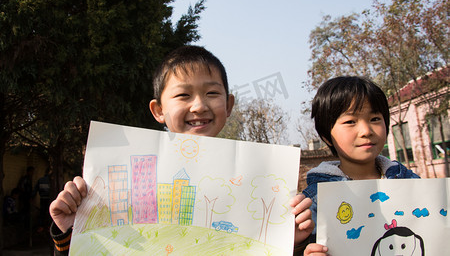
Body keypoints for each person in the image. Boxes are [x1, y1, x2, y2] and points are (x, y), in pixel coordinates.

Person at [49, 45, 312, 254]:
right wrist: (72, 231)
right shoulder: (121, 179)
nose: (198, 106)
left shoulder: (263, 177)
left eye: (211, 93)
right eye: (183, 95)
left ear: (229, 105)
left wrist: (292, 241)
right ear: (158, 110)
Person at [291, 76, 420, 256]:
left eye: (375, 118)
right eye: (350, 121)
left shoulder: (409, 182)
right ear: (327, 136)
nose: (366, 131)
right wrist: (300, 249)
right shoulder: (313, 202)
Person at [33, 167, 51, 232]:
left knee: (42, 213)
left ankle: (41, 226)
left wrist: (32, 197)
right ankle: (49, 227)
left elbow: (35, 190)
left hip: (42, 199)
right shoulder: (51, 180)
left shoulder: (40, 180)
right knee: (50, 213)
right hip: (50, 199)